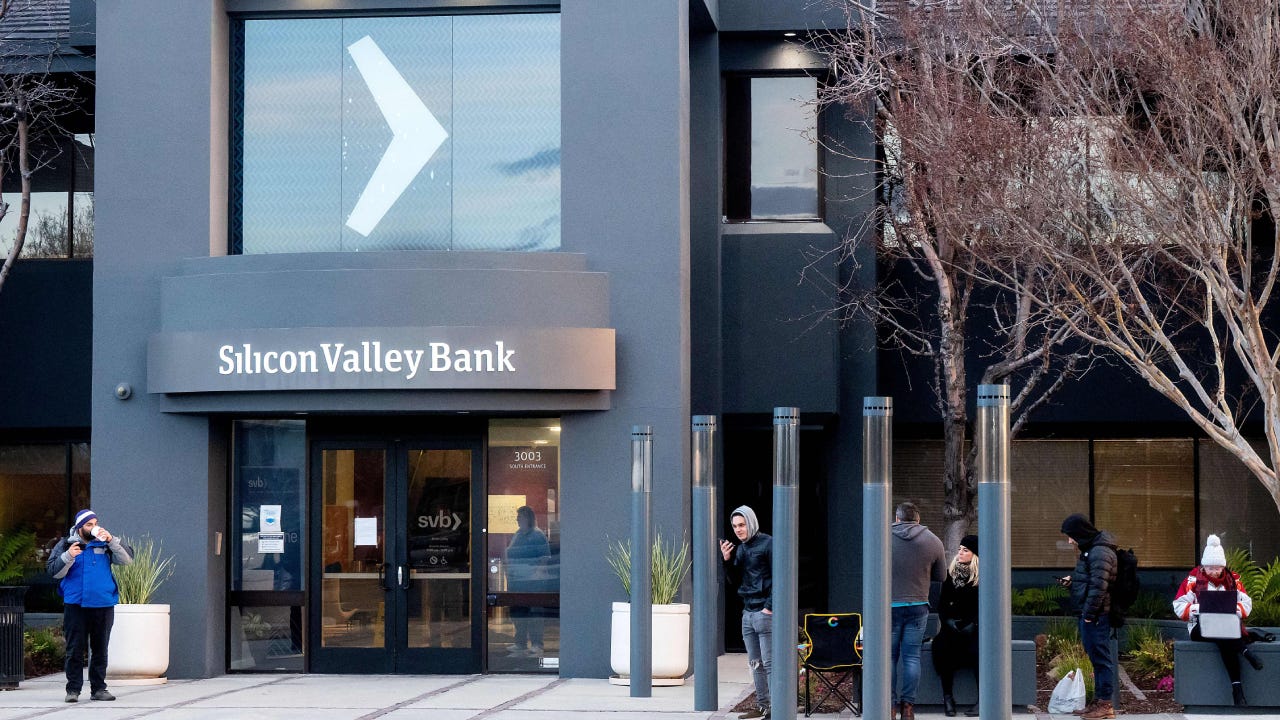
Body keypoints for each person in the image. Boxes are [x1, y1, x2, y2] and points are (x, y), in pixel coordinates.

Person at [46, 509, 133, 703]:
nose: (93, 527)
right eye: (89, 524)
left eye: (95, 523)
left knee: (100, 649)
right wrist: (68, 556)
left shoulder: (105, 543)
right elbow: (53, 572)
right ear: (79, 527)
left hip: (103, 604)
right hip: (75, 604)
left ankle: (99, 689)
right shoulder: (65, 544)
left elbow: (127, 560)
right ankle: (73, 690)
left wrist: (112, 540)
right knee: (74, 649)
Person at [1172, 534, 1263, 706]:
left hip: (1225, 628)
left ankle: (1237, 691)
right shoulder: (1192, 581)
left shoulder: (1233, 580)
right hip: (1199, 628)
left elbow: (1247, 604)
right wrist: (1200, 609)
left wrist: (1232, 609)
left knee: (1222, 637)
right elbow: (1178, 606)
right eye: (1210, 568)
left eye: (1218, 568)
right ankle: (1244, 652)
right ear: (1204, 566)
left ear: (1223, 567)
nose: (1214, 571)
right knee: (1222, 632)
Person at [890, 502, 946, 720]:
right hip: (917, 606)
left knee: (890, 658)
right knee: (912, 657)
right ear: (918, 519)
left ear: (897, 518)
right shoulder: (933, 541)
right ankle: (908, 707)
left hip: (889, 607)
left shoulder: (881, 538)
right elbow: (941, 577)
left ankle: (890, 706)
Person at [1060, 513, 1118, 719]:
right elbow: (1090, 581)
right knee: (1097, 659)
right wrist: (1073, 582)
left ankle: (1105, 705)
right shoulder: (1092, 550)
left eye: (1070, 535)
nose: (1069, 540)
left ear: (1079, 533)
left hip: (1096, 616)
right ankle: (1099, 702)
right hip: (1092, 614)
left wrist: (1088, 615)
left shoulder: (1099, 552)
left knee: (1102, 660)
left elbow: (1098, 587)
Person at [721, 505, 772, 720]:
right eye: (735, 526)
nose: (738, 530)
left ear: (750, 522)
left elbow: (780, 576)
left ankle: (777, 708)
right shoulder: (740, 549)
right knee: (755, 664)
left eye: (741, 525)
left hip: (764, 612)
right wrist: (726, 560)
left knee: (770, 664)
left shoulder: (768, 543)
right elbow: (735, 580)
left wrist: (769, 607)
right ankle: (763, 707)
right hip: (748, 613)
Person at [933, 534, 980, 717]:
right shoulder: (950, 575)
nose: (960, 553)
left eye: (965, 550)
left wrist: (973, 623)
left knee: (979, 652)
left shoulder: (980, 578)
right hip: (951, 628)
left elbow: (985, 606)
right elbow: (942, 604)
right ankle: (948, 697)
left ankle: (982, 699)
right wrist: (948, 621)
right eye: (960, 549)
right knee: (942, 649)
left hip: (973, 628)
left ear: (974, 554)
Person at [504, 505, 550, 657]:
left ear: (528, 518)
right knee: (518, 614)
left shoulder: (537, 535)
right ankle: (520, 643)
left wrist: (537, 575)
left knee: (534, 615)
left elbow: (544, 559)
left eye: (520, 517)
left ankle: (537, 644)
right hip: (516, 582)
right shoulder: (518, 534)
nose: (517, 519)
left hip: (532, 584)